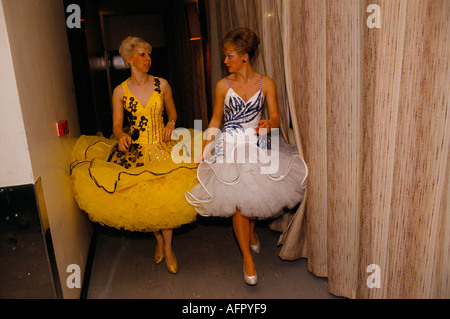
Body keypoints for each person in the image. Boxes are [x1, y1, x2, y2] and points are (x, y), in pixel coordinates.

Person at [185, 28, 308, 285]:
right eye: (225, 56)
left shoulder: (267, 83)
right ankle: (247, 259)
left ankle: (251, 233)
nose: (225, 61)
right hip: (229, 145)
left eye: (229, 55)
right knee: (238, 204)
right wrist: (207, 148)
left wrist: (269, 124)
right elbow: (216, 118)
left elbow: (275, 117)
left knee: (252, 196)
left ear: (244, 56)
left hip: (257, 144)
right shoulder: (222, 85)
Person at [70, 36, 199, 274]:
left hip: (163, 148)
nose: (147, 59)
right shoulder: (120, 91)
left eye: (149, 54)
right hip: (137, 152)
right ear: (129, 59)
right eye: (142, 54)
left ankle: (168, 247)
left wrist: (170, 124)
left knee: (165, 199)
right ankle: (158, 239)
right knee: (145, 200)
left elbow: (172, 113)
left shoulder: (162, 84)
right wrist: (120, 136)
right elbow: (117, 126)